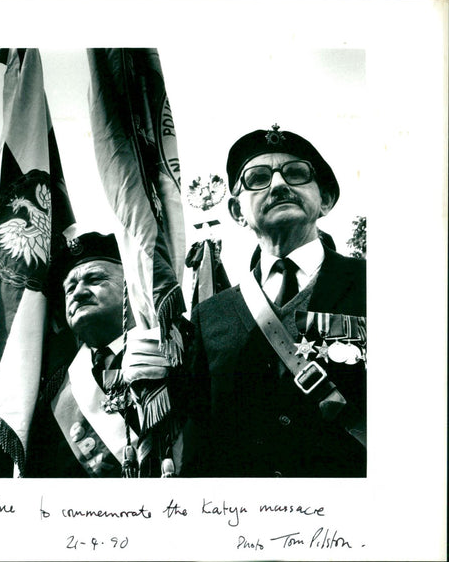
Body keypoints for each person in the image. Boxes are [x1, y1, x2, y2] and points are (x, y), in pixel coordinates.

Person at [182, 124, 367, 477]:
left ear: (325, 200)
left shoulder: (378, 284)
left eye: (297, 174)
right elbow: (200, 435)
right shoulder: (210, 314)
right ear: (237, 212)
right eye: (258, 178)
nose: (279, 184)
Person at [23, 232, 184, 477]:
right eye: (69, 289)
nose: (78, 292)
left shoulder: (180, 349)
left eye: (94, 278)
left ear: (130, 285)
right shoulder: (56, 394)